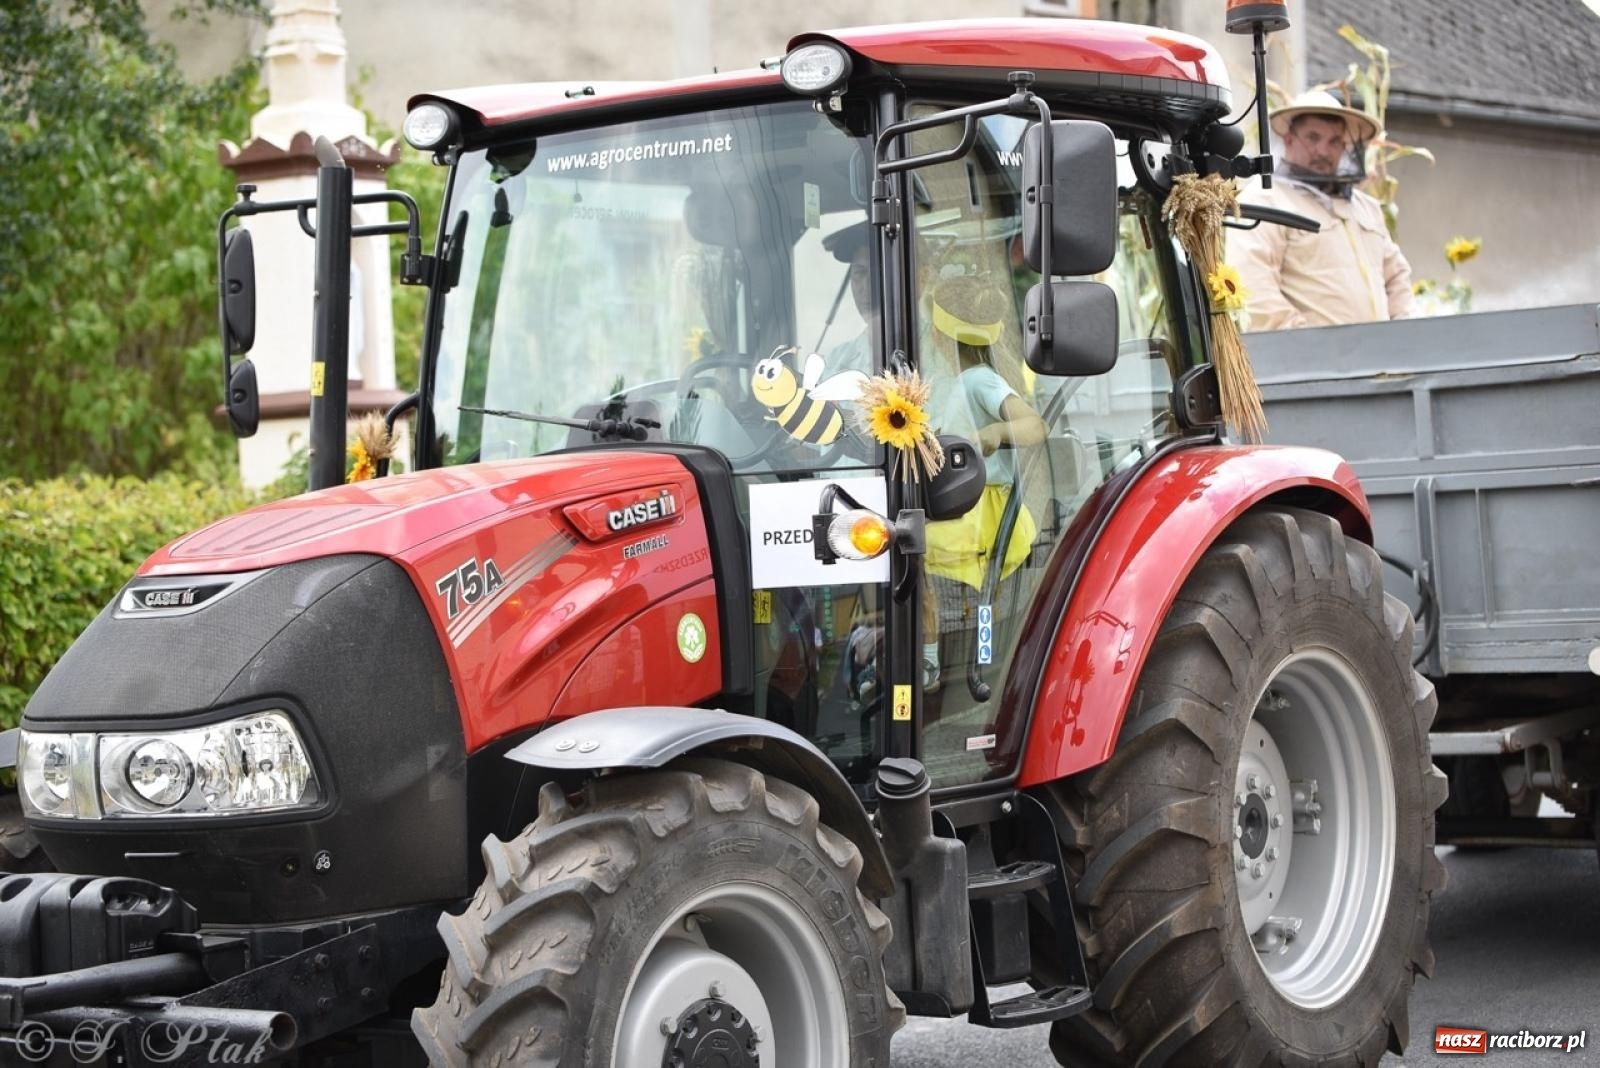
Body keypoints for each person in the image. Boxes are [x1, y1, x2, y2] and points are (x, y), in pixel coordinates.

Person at [919, 273, 1046, 690]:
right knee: (967, 593)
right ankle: (948, 659)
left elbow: (1034, 426)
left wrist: (995, 434)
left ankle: (942, 661)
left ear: (939, 336)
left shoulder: (979, 380)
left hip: (980, 509)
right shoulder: (952, 385)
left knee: (924, 568)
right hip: (961, 505)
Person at [1229, 90, 1415, 331]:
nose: (1324, 151)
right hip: (1309, 363)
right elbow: (1254, 291)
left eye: (1334, 142)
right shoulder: (1264, 200)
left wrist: (1403, 333)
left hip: (1379, 360)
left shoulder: (1365, 207)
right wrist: (1312, 347)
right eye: (1313, 137)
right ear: (1289, 140)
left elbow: (1396, 278)